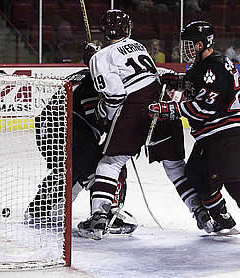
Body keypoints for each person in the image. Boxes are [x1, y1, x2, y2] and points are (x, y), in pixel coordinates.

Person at [77, 10, 216, 240]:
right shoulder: (138, 46)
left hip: (134, 106)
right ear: (128, 29)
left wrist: (105, 113)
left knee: (111, 163)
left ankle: (99, 218)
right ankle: (199, 210)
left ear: (104, 30)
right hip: (161, 101)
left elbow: (114, 96)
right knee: (175, 166)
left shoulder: (99, 57)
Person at [24, 62, 138, 235]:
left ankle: (40, 209)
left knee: (73, 169)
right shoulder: (95, 80)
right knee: (108, 166)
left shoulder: (86, 75)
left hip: (50, 130)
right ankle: (105, 216)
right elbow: (98, 115)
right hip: (68, 130)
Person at [149, 21, 240, 233]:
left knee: (234, 182)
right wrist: (178, 81)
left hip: (225, 134)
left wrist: (169, 109)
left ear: (202, 44)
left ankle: (222, 217)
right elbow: (196, 84)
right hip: (212, 136)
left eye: (190, 44)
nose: (186, 48)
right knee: (196, 175)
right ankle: (222, 219)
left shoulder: (214, 67)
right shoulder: (203, 66)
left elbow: (205, 108)